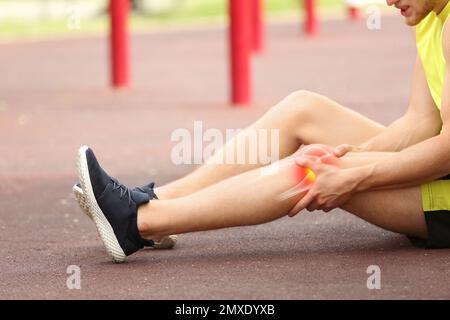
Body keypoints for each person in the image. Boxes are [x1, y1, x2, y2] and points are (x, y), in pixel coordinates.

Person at [75, 0, 450, 262]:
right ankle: (152, 201)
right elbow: (419, 123)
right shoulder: (432, 17)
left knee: (312, 166)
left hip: (444, 202)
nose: (387, 1)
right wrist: (351, 159)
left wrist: (353, 174)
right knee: (303, 109)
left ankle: (137, 224)